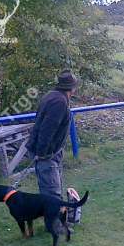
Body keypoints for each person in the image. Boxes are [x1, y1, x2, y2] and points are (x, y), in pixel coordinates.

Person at [26, 69, 81, 200]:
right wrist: (41, 152)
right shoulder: (60, 102)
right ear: (72, 88)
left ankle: (62, 219)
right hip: (46, 155)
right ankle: (54, 220)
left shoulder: (51, 95)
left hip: (51, 152)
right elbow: (47, 129)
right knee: (52, 196)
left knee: (55, 189)